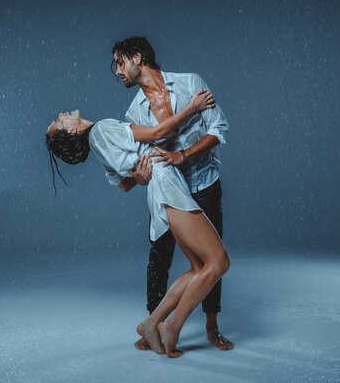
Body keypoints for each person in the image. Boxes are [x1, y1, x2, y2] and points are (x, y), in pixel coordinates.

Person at [45, 91, 230, 358]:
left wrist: (140, 178)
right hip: (167, 185)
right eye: (59, 121)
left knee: (199, 267)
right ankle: (173, 327)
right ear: (73, 131)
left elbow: (124, 183)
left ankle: (151, 323)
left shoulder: (98, 144)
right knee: (218, 262)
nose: (60, 115)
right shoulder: (104, 128)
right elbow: (155, 135)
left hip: (160, 189)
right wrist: (193, 107)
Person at [111, 36, 233, 350]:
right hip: (168, 193)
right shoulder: (134, 114)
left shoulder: (190, 82)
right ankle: (152, 325)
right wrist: (138, 176)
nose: (117, 71)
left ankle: (212, 327)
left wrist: (184, 155)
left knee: (212, 259)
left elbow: (218, 130)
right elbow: (139, 159)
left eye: (120, 62)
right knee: (159, 258)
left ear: (137, 57)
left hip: (204, 182)